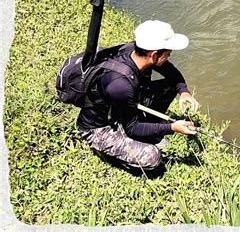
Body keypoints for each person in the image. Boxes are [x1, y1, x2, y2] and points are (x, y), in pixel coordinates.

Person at [76, 20, 200, 171]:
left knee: (170, 86)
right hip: (100, 127)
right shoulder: (120, 85)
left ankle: (148, 129)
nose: (171, 53)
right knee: (153, 157)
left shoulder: (137, 52)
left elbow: (171, 72)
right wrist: (172, 127)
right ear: (154, 55)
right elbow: (132, 128)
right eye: (168, 51)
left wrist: (184, 92)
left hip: (122, 107)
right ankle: (104, 149)